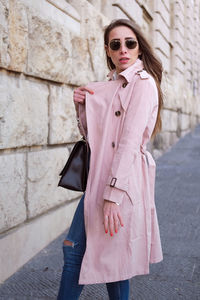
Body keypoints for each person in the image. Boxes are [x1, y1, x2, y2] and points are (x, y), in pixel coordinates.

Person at [57, 18, 163, 300]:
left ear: (139, 48)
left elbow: (128, 144)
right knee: (90, 255)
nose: (123, 50)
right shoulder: (110, 85)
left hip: (121, 184)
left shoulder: (143, 84)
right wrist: (82, 107)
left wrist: (113, 195)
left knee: (105, 260)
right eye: (116, 45)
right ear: (107, 50)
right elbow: (96, 139)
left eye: (130, 43)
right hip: (98, 180)